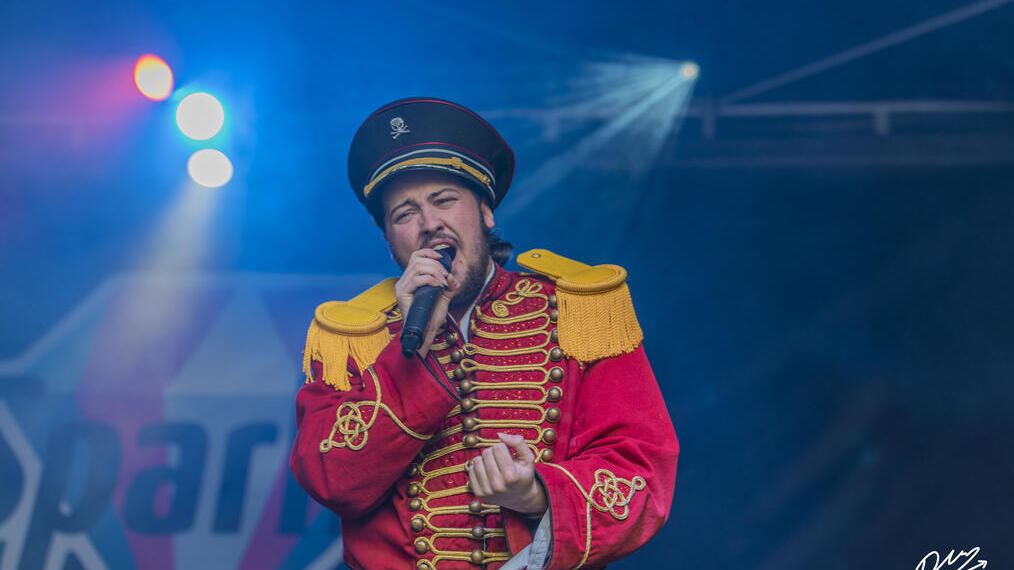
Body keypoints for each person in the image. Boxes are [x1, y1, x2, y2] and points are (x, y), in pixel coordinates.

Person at [290, 97, 679, 569]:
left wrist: (537, 493)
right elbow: (332, 478)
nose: (430, 223)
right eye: (404, 214)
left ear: (486, 213)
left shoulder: (581, 311)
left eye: (445, 200)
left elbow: (641, 472)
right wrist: (410, 353)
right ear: (390, 242)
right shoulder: (352, 337)